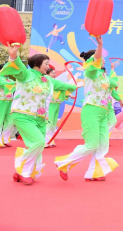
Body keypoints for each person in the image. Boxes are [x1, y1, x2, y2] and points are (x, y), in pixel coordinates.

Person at [1, 44, 75, 185]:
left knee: (38, 146)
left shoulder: (48, 80)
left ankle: (20, 172)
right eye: (46, 63)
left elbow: (62, 85)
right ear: (36, 64)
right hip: (23, 115)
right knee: (39, 142)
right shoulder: (26, 75)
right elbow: (18, 67)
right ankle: (24, 172)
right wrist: (13, 56)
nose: (48, 66)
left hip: (40, 119)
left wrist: (77, 86)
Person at [55, 36, 119, 181]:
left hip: (103, 112)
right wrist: (100, 45)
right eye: (100, 57)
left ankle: (94, 172)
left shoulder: (103, 76)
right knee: (91, 145)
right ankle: (63, 163)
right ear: (92, 60)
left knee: (102, 145)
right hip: (91, 110)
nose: (102, 59)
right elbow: (94, 62)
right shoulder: (90, 73)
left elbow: (113, 84)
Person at [44, 66, 77, 148]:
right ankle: (45, 141)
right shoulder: (47, 81)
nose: (54, 74)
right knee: (49, 122)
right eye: (52, 73)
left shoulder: (55, 82)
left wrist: (69, 95)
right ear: (47, 74)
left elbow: (62, 89)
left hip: (56, 103)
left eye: (55, 73)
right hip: (50, 104)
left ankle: (50, 140)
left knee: (54, 123)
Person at [0, 64, 16, 148]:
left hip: (9, 102)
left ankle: (4, 139)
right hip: (1, 101)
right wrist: (16, 83)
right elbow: (5, 84)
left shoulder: (9, 79)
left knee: (11, 120)